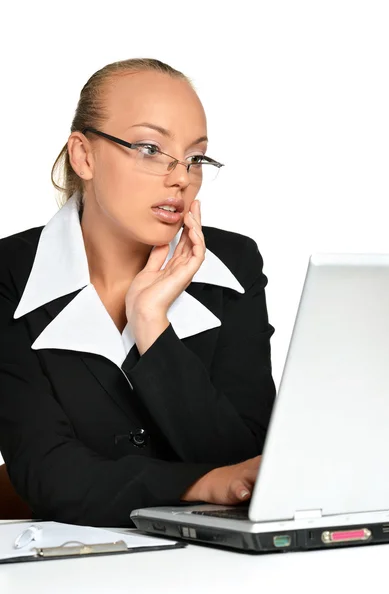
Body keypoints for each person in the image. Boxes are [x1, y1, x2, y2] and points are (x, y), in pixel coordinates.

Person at [0, 58, 276, 527]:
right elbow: (48, 474)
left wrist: (152, 324)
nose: (181, 177)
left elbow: (250, 464)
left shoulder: (233, 264)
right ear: (83, 156)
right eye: (150, 148)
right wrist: (200, 484)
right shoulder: (8, 273)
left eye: (196, 157)